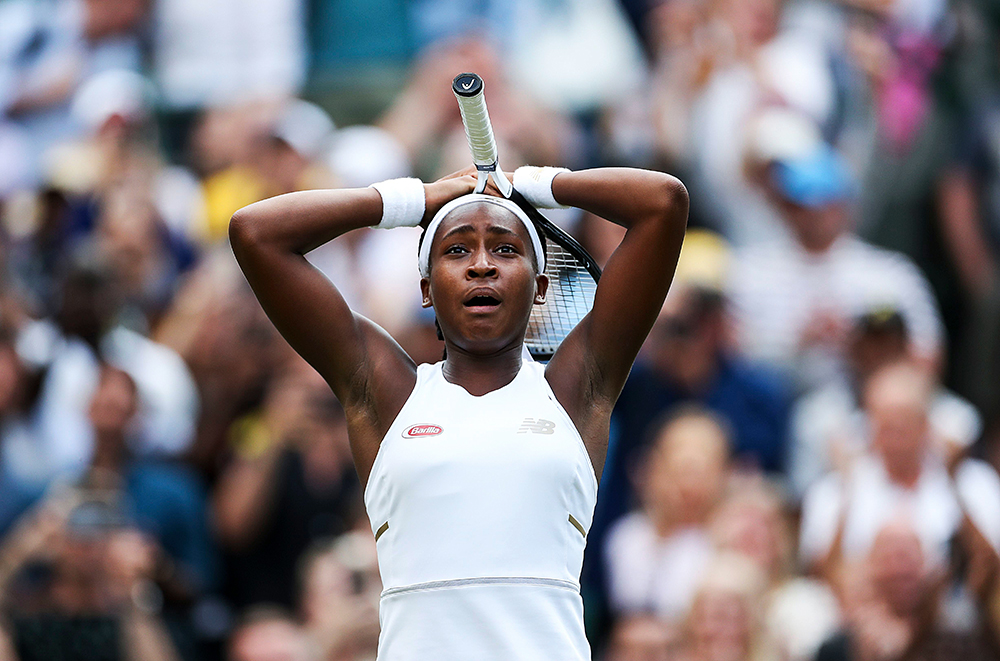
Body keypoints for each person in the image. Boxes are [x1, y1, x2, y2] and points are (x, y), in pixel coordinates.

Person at [229, 162, 689, 658]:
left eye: (506, 248)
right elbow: (255, 233)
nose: (482, 264)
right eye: (457, 249)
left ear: (539, 287)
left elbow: (662, 203)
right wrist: (418, 199)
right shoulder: (385, 395)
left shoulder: (577, 390)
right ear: (425, 289)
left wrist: (525, 184)